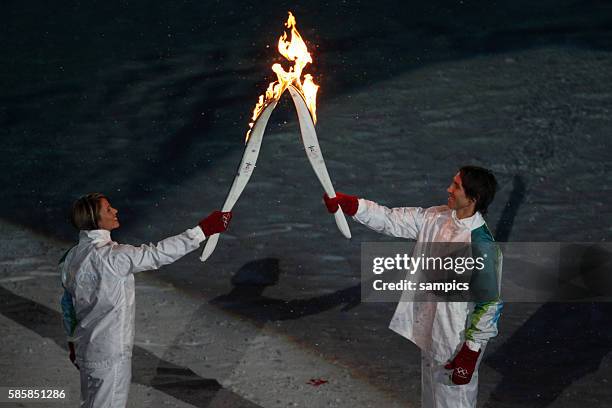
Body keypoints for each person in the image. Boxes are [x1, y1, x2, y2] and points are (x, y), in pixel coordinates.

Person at [323, 166, 503, 408]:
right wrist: (353, 205)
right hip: (430, 331)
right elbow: (390, 219)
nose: (448, 189)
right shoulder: (435, 218)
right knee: (430, 400)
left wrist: (470, 352)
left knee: (453, 403)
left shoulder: (481, 245)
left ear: (473, 198)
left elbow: (490, 303)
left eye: (456, 186)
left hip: (455, 340)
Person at [59, 192, 232, 408]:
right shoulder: (113, 256)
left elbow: (68, 304)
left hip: (86, 349)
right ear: (95, 219)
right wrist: (202, 230)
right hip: (111, 354)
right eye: (108, 209)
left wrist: (72, 341)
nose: (115, 211)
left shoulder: (72, 257)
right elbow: (157, 254)